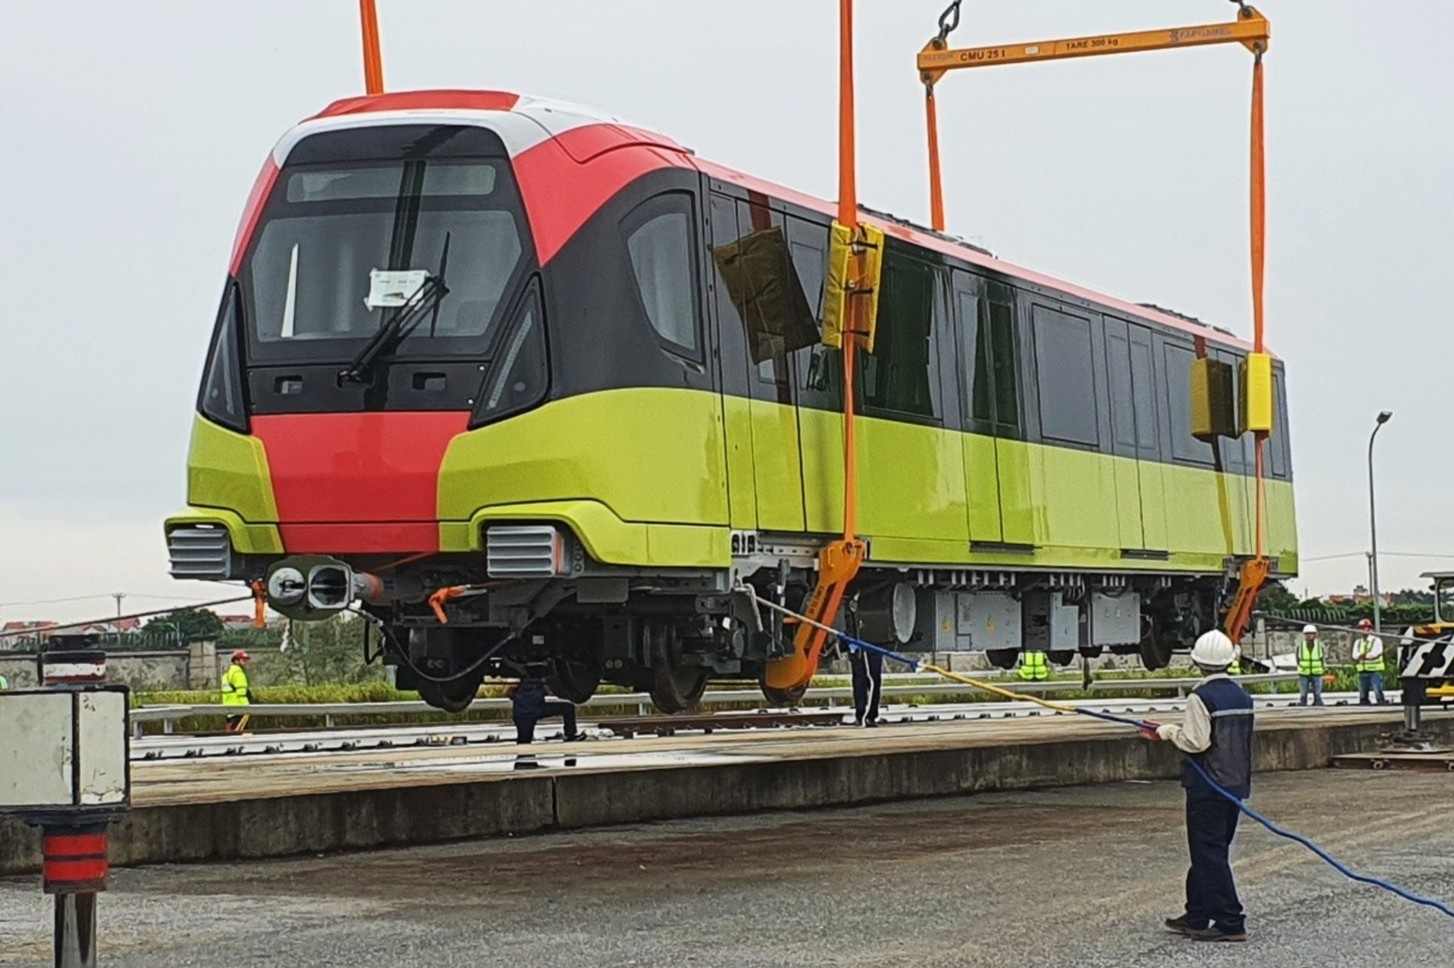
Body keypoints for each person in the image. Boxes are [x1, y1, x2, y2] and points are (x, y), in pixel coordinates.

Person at [1143, 628, 1253, 943]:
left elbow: (1195, 741)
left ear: (1197, 662)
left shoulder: (1200, 697)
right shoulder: (1242, 696)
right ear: (1229, 661)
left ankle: (1231, 922)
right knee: (1211, 851)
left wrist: (1166, 732)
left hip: (1207, 786)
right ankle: (1197, 914)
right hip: (1234, 785)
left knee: (1208, 853)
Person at [509, 675, 584, 745]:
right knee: (568, 708)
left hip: (522, 713)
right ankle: (570, 735)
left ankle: (524, 755)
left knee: (524, 743)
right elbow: (549, 691)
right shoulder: (541, 676)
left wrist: (517, 697)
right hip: (536, 709)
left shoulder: (518, 676)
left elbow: (506, 691)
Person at [1351, 618, 1388, 705]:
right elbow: (1354, 655)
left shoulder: (1376, 640)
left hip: (1375, 671)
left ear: (1370, 629)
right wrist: (1365, 655)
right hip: (1362, 671)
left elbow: (1375, 654)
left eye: (1365, 627)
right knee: (1363, 695)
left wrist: (1362, 656)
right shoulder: (1358, 642)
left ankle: (1381, 707)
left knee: (1378, 692)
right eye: (1361, 628)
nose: (1363, 630)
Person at [849, 643, 884, 727]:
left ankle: (866, 715)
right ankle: (865, 715)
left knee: (870, 678)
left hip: (868, 644)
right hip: (860, 644)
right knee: (863, 678)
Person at [220, 649, 252, 733]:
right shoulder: (238, 673)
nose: (245, 662)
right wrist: (248, 708)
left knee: (233, 735)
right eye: (243, 660)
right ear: (236, 661)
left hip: (229, 710)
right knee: (242, 736)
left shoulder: (227, 673)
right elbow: (241, 693)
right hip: (239, 709)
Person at [1295, 624, 1326, 707]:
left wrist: (1321, 668)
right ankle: (1303, 701)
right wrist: (1300, 667)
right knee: (1303, 690)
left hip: (1317, 672)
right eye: (1307, 634)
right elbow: (1297, 658)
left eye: (1311, 633)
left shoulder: (1320, 645)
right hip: (1304, 672)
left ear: (1315, 634)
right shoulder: (1300, 646)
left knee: (1317, 691)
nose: (1309, 636)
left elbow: (1322, 658)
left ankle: (1317, 700)